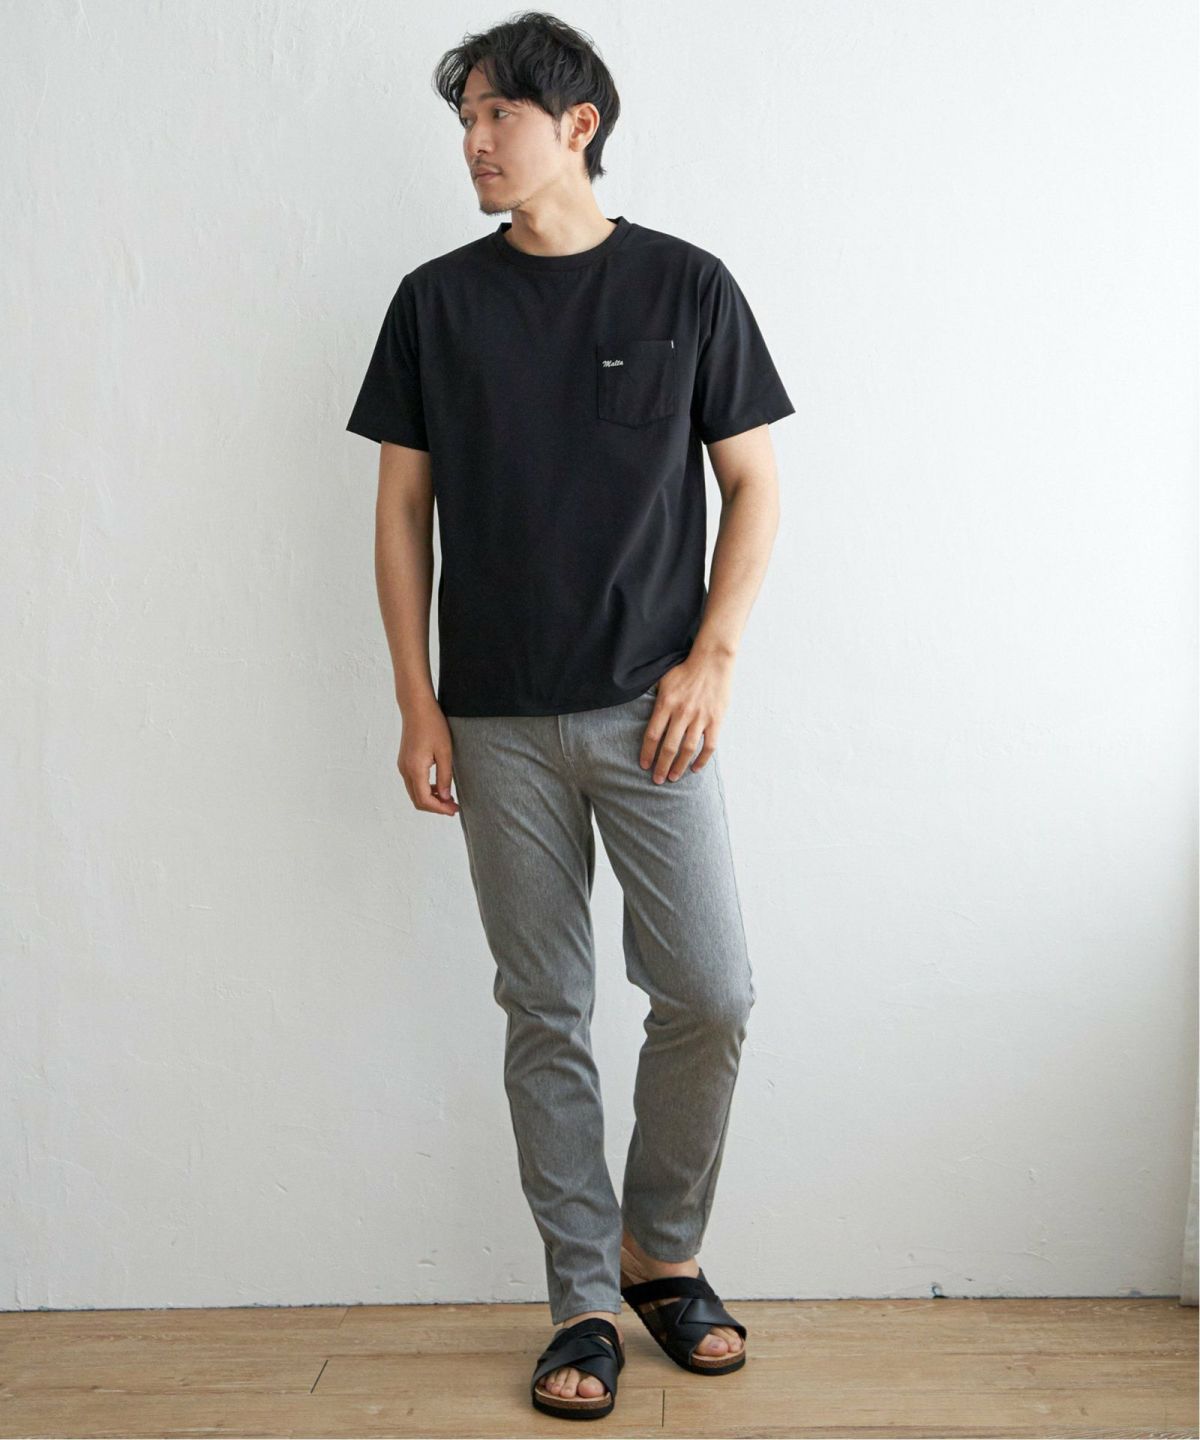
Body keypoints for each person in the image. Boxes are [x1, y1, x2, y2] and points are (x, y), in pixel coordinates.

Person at [346, 10, 795, 1422]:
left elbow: (754, 484)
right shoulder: (435, 303)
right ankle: (583, 1303)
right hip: (493, 720)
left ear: (577, 124)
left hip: (656, 711)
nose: (475, 143)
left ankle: (664, 1251)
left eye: (498, 115)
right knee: (544, 1009)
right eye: (465, 120)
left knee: (711, 992)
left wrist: (713, 658)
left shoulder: (687, 285)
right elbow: (402, 513)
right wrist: (415, 698)